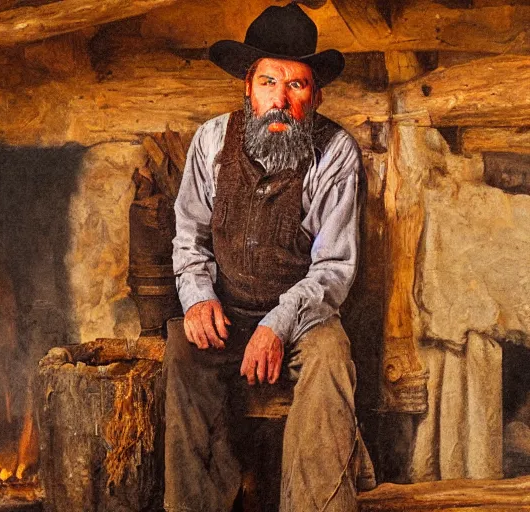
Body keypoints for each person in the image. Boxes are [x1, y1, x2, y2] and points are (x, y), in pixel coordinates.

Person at [164, 4, 364, 511]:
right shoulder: (210, 140)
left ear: (314, 96)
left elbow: (334, 268)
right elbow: (189, 236)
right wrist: (197, 297)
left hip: (303, 316)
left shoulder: (337, 153)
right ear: (247, 89)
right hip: (228, 308)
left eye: (296, 85)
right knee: (183, 350)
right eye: (268, 82)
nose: (280, 100)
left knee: (331, 357)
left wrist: (278, 324)